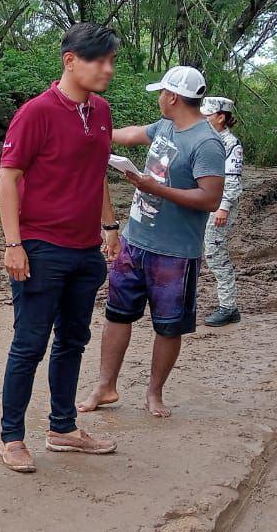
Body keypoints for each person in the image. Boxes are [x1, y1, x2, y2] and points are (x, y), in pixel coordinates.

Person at [0, 23, 123, 473]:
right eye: (99, 60)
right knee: (29, 344)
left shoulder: (102, 111)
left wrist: (109, 225)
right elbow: (8, 176)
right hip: (41, 246)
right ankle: (12, 437)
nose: (108, 68)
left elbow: (97, 172)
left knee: (73, 339)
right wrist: (14, 243)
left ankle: (63, 428)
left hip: (85, 249)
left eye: (111, 60)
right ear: (70, 60)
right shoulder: (36, 113)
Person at [78, 66, 225, 419]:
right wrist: (97, 135)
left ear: (173, 97)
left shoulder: (206, 143)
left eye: (162, 92)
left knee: (168, 325)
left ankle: (154, 393)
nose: (159, 97)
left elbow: (209, 198)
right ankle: (105, 385)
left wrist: (153, 188)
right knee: (117, 315)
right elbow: (131, 135)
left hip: (176, 253)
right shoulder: (165, 126)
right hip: (135, 240)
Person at [200, 96, 244, 327]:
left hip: (218, 206)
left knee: (215, 253)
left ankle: (228, 306)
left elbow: (233, 180)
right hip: (202, 202)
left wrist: (223, 207)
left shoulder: (231, 144)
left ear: (220, 117)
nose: (203, 119)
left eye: (207, 115)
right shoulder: (206, 139)